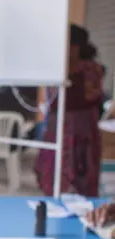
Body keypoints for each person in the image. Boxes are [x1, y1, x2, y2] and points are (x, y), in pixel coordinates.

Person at [35, 25, 104, 197]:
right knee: (57, 171)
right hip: (62, 125)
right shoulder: (59, 67)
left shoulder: (89, 69)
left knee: (77, 172)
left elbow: (90, 97)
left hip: (78, 128)